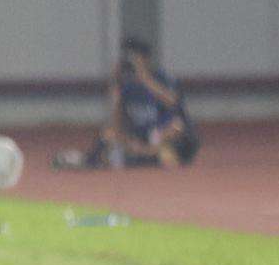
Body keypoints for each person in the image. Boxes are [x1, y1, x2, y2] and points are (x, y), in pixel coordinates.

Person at [52, 36, 199, 170]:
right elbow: (116, 122)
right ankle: (135, 157)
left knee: (175, 128)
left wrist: (144, 78)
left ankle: (144, 155)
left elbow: (173, 102)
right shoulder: (126, 84)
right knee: (109, 133)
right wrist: (115, 85)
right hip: (140, 137)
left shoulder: (161, 78)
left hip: (162, 135)